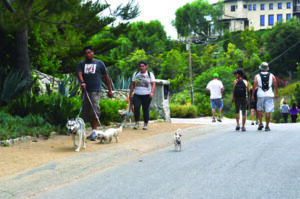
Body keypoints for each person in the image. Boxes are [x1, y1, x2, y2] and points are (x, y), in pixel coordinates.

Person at [77, 46, 113, 141]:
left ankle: (94, 131)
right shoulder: (81, 64)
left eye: (89, 52)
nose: (88, 54)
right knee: (86, 111)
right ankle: (88, 132)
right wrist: (82, 82)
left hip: (95, 90)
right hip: (85, 90)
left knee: (94, 109)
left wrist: (110, 90)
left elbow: (106, 77)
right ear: (84, 54)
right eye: (86, 53)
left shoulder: (99, 63)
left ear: (93, 52)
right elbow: (79, 74)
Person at [129, 61, 156, 130]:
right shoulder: (136, 74)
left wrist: (152, 92)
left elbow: (153, 84)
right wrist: (130, 94)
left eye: (143, 66)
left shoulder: (150, 74)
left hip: (147, 95)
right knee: (137, 108)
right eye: (140, 66)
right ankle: (137, 123)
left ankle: (145, 124)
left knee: (145, 109)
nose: (141, 68)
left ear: (146, 67)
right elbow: (132, 84)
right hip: (137, 94)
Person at [252, 62, 278, 132]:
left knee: (259, 109)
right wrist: (276, 93)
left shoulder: (257, 76)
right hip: (269, 94)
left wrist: (252, 95)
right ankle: (267, 126)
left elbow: (254, 85)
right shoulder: (272, 75)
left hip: (260, 94)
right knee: (268, 111)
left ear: (261, 68)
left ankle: (260, 123)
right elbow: (275, 84)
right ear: (267, 68)